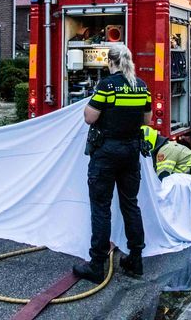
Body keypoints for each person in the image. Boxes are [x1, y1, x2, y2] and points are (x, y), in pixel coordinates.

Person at [73, 44, 151, 284]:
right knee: (130, 205)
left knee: (101, 207)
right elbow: (146, 119)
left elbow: (89, 117)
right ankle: (135, 260)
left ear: (111, 62)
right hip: (130, 152)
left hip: (106, 153)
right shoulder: (141, 85)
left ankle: (97, 265)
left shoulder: (107, 85)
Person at [140, 126, 191, 221]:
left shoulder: (165, 152)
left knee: (170, 190)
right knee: (174, 186)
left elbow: (162, 179)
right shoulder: (166, 147)